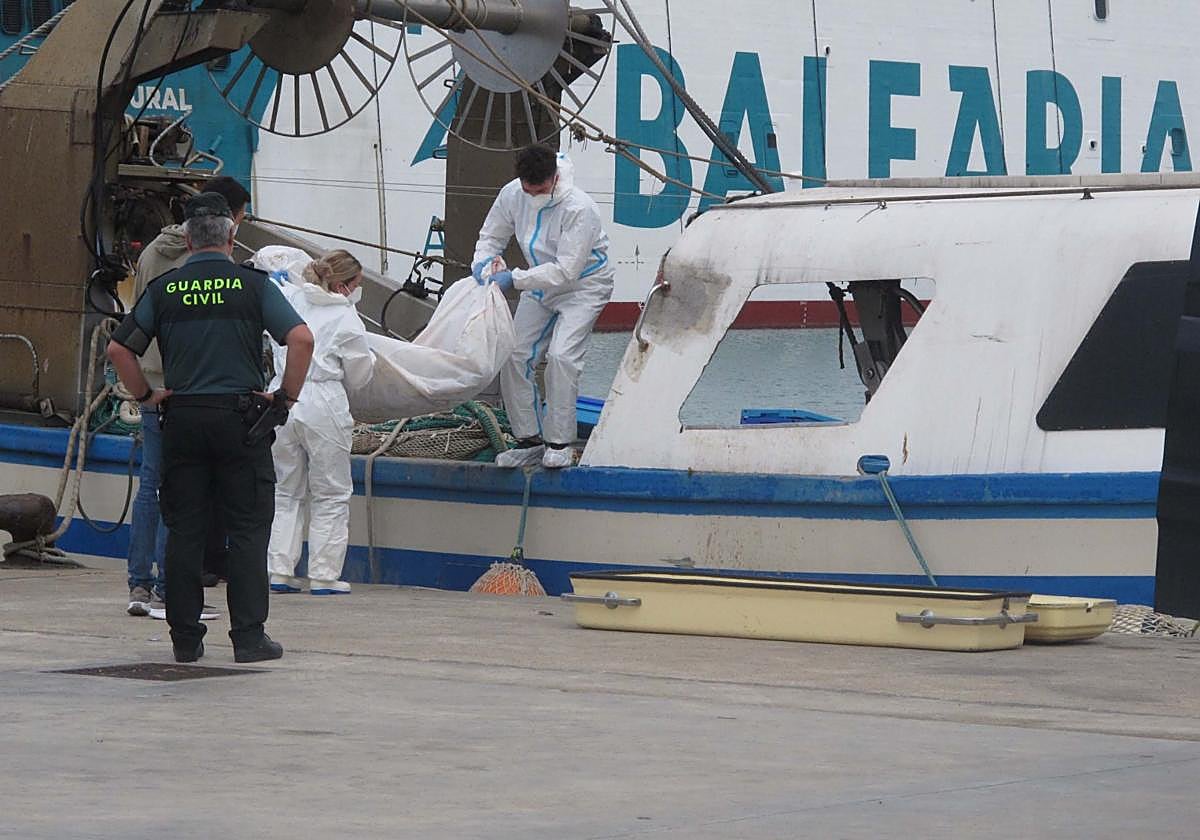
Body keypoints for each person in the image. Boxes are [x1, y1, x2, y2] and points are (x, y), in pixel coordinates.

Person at [108, 192, 314, 663]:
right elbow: (301, 339)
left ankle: (185, 639)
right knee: (245, 529)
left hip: (182, 418)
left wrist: (145, 396)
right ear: (231, 235)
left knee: (184, 529)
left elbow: (120, 351)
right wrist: (285, 397)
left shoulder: (165, 289)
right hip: (241, 422)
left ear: (185, 237)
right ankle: (248, 638)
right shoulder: (253, 286)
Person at [124, 176, 251, 616]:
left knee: (150, 486)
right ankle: (167, 588)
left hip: (151, 381)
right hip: (190, 384)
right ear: (228, 221)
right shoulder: (207, 262)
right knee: (181, 491)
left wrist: (141, 387)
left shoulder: (152, 254)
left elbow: (130, 328)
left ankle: (139, 586)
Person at [472, 144, 615, 469]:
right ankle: (530, 439)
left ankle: (560, 443)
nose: (534, 195)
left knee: (562, 357)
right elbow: (491, 235)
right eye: (528, 189)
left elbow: (566, 271)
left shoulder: (579, 208)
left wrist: (514, 279)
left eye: (540, 189)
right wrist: (481, 263)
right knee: (514, 352)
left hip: (584, 285)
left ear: (554, 178)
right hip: (538, 282)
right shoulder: (512, 195)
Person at [266, 250, 374, 595]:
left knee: (284, 489)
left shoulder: (290, 297)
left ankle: (278, 570)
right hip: (323, 400)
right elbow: (359, 377)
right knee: (330, 491)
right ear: (344, 286)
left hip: (281, 395)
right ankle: (325, 575)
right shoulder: (347, 319)